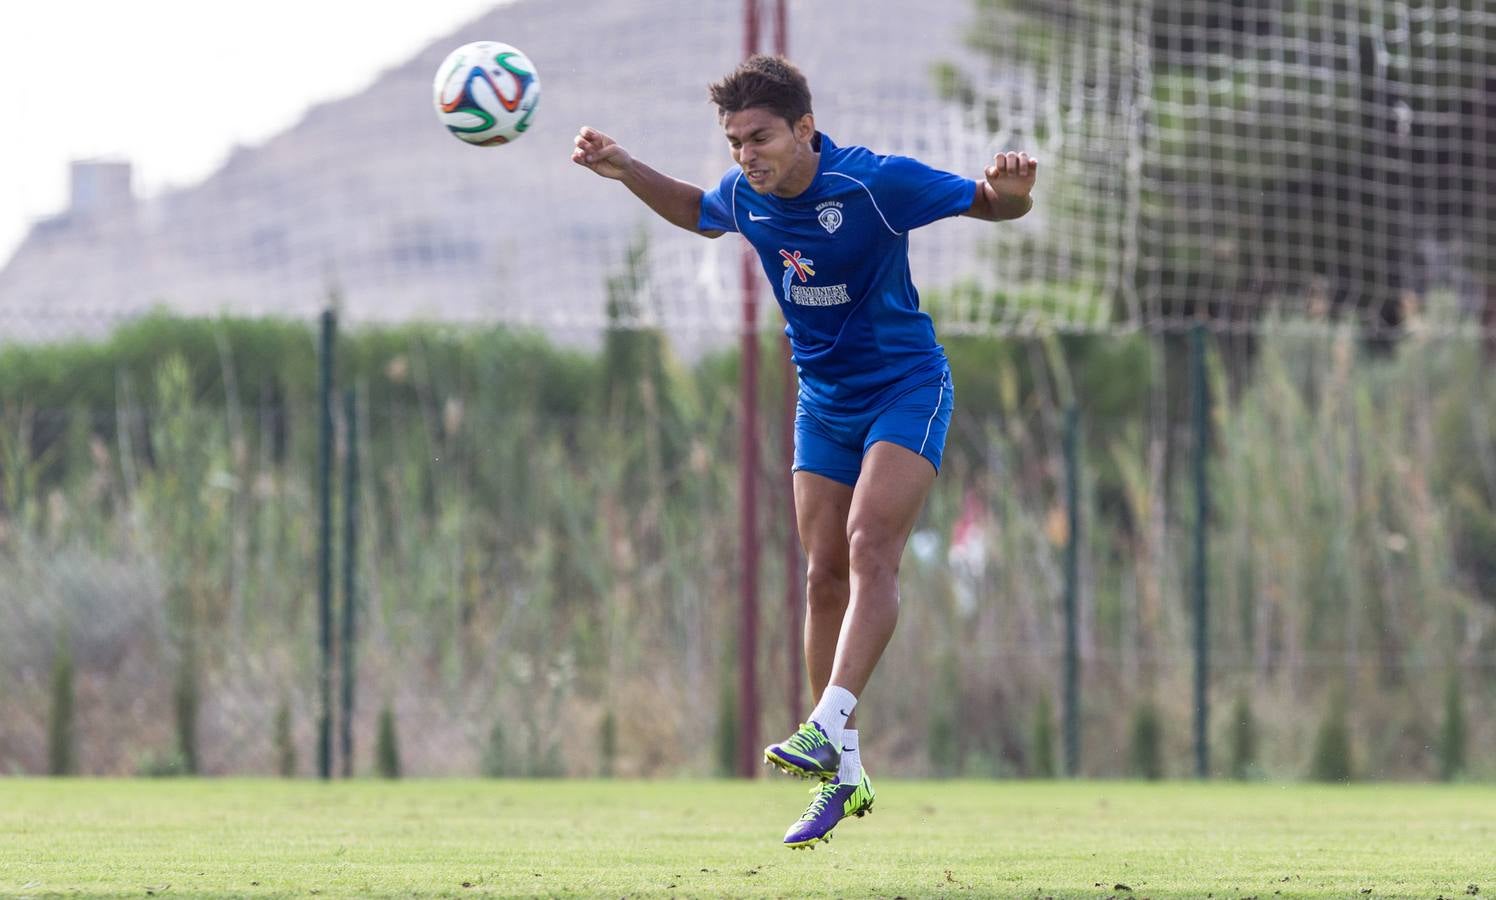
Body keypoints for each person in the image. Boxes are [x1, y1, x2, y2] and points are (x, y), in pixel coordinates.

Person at [572, 54, 1036, 849]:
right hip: (823, 403)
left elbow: (985, 203)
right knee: (822, 575)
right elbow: (695, 208)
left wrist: (1012, 195)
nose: (745, 155)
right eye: (733, 141)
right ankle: (843, 774)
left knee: (869, 549)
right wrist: (623, 170)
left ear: (805, 130)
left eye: (758, 137)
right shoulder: (746, 198)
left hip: (904, 386)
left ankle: (822, 724)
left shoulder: (873, 184)